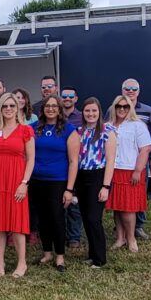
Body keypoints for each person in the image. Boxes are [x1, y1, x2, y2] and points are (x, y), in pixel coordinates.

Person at [0, 93, 35, 277]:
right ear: (0, 109)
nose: (8, 109)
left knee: (17, 223)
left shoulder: (25, 130)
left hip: (16, 180)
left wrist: (24, 183)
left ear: (18, 108)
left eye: (12, 106)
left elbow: (30, 159)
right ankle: (0, 263)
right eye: (5, 106)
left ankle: (22, 263)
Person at [29, 96, 81, 273]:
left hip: (58, 181)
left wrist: (69, 189)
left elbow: (74, 162)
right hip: (36, 180)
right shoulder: (34, 128)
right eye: (47, 106)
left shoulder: (69, 130)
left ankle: (60, 256)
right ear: (42, 109)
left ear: (59, 109)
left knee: (57, 218)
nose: (50, 109)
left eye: (54, 106)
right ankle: (47, 252)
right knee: (42, 218)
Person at [75, 98, 117, 268]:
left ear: (99, 112)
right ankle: (92, 254)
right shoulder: (79, 131)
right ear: (83, 113)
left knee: (94, 218)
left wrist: (105, 186)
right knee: (85, 217)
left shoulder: (108, 131)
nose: (91, 114)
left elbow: (111, 160)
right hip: (82, 176)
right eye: (87, 111)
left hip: (98, 176)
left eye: (94, 111)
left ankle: (100, 258)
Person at [107, 95, 151, 253]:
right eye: (118, 106)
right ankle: (120, 238)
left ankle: (131, 238)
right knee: (117, 207)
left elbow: (145, 149)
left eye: (125, 106)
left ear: (130, 108)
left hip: (130, 171)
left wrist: (138, 171)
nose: (121, 109)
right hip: (112, 171)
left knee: (128, 208)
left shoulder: (137, 125)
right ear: (114, 107)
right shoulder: (108, 126)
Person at [121, 78, 151, 240]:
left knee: (139, 193)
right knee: (121, 196)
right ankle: (121, 226)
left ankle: (139, 226)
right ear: (122, 90)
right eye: (127, 88)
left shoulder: (148, 111)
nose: (130, 90)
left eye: (134, 88)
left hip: (140, 162)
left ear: (138, 91)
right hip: (120, 162)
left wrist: (150, 158)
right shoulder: (113, 109)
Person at [57, 86, 84, 248]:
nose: (67, 98)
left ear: (76, 98)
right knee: (60, 200)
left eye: (70, 96)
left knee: (75, 201)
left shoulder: (82, 117)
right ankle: (61, 233)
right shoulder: (56, 117)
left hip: (77, 164)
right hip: (60, 164)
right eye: (64, 96)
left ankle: (74, 236)